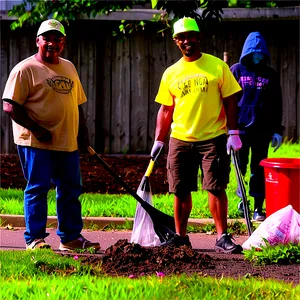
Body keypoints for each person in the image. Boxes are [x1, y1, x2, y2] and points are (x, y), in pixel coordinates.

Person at [2, 19, 100, 252]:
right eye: (47, 38)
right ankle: (34, 239)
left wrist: (82, 134)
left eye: (57, 39)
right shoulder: (24, 69)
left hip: (67, 142)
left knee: (70, 190)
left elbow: (77, 105)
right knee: (37, 187)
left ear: (63, 42)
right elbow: (10, 106)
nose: (52, 43)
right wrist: (37, 129)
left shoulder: (69, 67)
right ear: (38, 41)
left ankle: (70, 238)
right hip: (36, 142)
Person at [150, 17, 243, 254]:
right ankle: (180, 237)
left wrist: (233, 132)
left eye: (191, 35)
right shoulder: (171, 72)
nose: (187, 40)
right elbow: (165, 109)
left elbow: (230, 100)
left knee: (216, 187)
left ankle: (222, 236)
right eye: (182, 37)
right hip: (180, 139)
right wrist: (159, 140)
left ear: (198, 37)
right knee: (180, 189)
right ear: (175, 41)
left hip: (213, 137)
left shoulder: (217, 66)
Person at [230, 32, 284, 222]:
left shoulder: (270, 74)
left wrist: (278, 130)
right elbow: (228, 101)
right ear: (247, 52)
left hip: (262, 131)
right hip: (240, 131)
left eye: (260, 52)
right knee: (240, 167)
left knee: (259, 170)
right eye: (254, 52)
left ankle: (258, 208)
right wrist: (229, 130)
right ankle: (242, 201)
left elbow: (278, 103)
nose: (257, 56)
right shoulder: (236, 70)